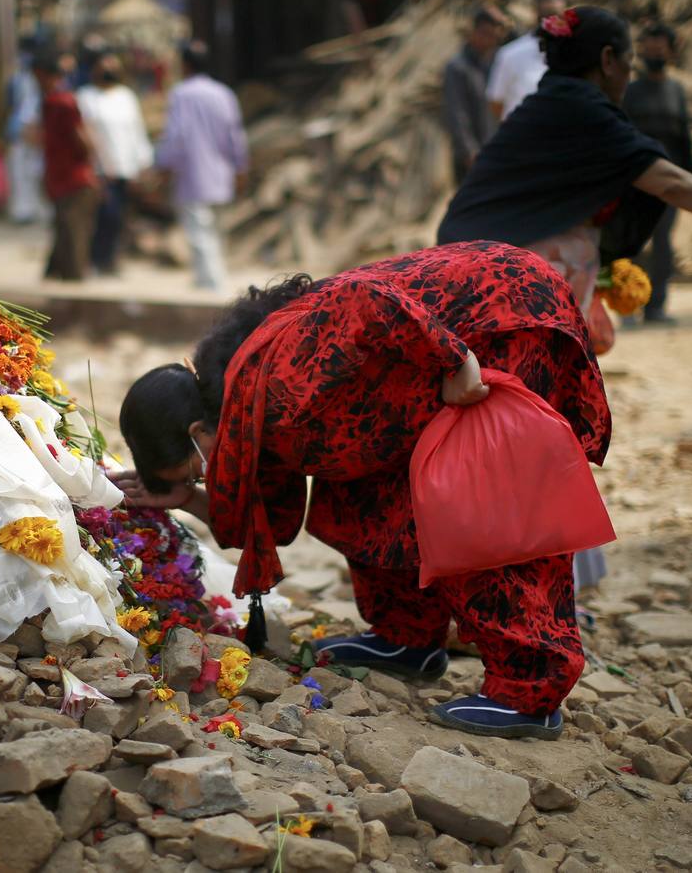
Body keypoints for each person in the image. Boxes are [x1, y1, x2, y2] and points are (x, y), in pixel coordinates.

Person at [113, 243, 610, 740]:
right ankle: (407, 637)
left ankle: (531, 691)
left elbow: (363, 297)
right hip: (438, 364)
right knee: (359, 500)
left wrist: (456, 363)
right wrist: (186, 501)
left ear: (199, 431)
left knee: (478, 508)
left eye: (195, 472)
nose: (206, 479)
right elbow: (272, 525)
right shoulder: (252, 416)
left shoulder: (278, 376)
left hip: (503, 316)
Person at [438, 6, 692, 593]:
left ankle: (537, 578)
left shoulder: (552, 107)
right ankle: (523, 586)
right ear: (608, 61)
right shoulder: (579, 108)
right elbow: (666, 180)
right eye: (625, 58)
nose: (628, 70)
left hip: (482, 280)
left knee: (521, 426)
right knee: (528, 426)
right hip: (505, 290)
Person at [156, 41, 249, 292]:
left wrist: (164, 165)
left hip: (193, 174)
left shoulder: (181, 95)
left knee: (199, 234)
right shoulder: (224, 93)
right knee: (216, 231)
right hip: (221, 173)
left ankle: (210, 284)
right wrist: (241, 168)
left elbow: (176, 135)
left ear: (185, 65)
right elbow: (235, 136)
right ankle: (210, 279)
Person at [621, 23, 692, 324]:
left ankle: (657, 307)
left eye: (660, 45)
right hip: (634, 180)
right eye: (648, 44)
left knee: (663, 243)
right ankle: (627, 305)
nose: (654, 50)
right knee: (631, 244)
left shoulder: (677, 91)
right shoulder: (631, 92)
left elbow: (684, 137)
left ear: (671, 50)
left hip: (669, 182)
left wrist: (690, 179)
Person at [77, 53, 153, 274]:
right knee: (102, 216)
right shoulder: (86, 97)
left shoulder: (126, 97)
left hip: (124, 168)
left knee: (118, 217)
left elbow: (136, 131)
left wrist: (143, 162)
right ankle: (95, 259)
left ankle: (110, 260)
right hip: (98, 170)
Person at [34, 50, 99, 281]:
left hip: (73, 180)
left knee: (73, 240)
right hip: (64, 178)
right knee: (65, 235)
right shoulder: (54, 102)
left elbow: (82, 139)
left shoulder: (62, 103)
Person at [442, 7, 507, 184]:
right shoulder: (458, 67)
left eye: (494, 35)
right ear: (474, 32)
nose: (490, 39)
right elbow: (457, 114)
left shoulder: (499, 63)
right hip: (470, 159)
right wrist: (470, 152)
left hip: (497, 153)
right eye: (485, 33)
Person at [486, 0, 566, 121]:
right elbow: (496, 102)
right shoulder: (511, 54)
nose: (551, 21)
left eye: (556, 15)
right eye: (547, 15)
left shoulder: (573, 54)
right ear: (536, 15)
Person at [5, 43, 49, 225]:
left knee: (37, 175)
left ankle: (38, 210)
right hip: (20, 134)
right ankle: (23, 211)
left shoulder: (41, 84)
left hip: (36, 134)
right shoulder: (16, 80)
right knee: (20, 175)